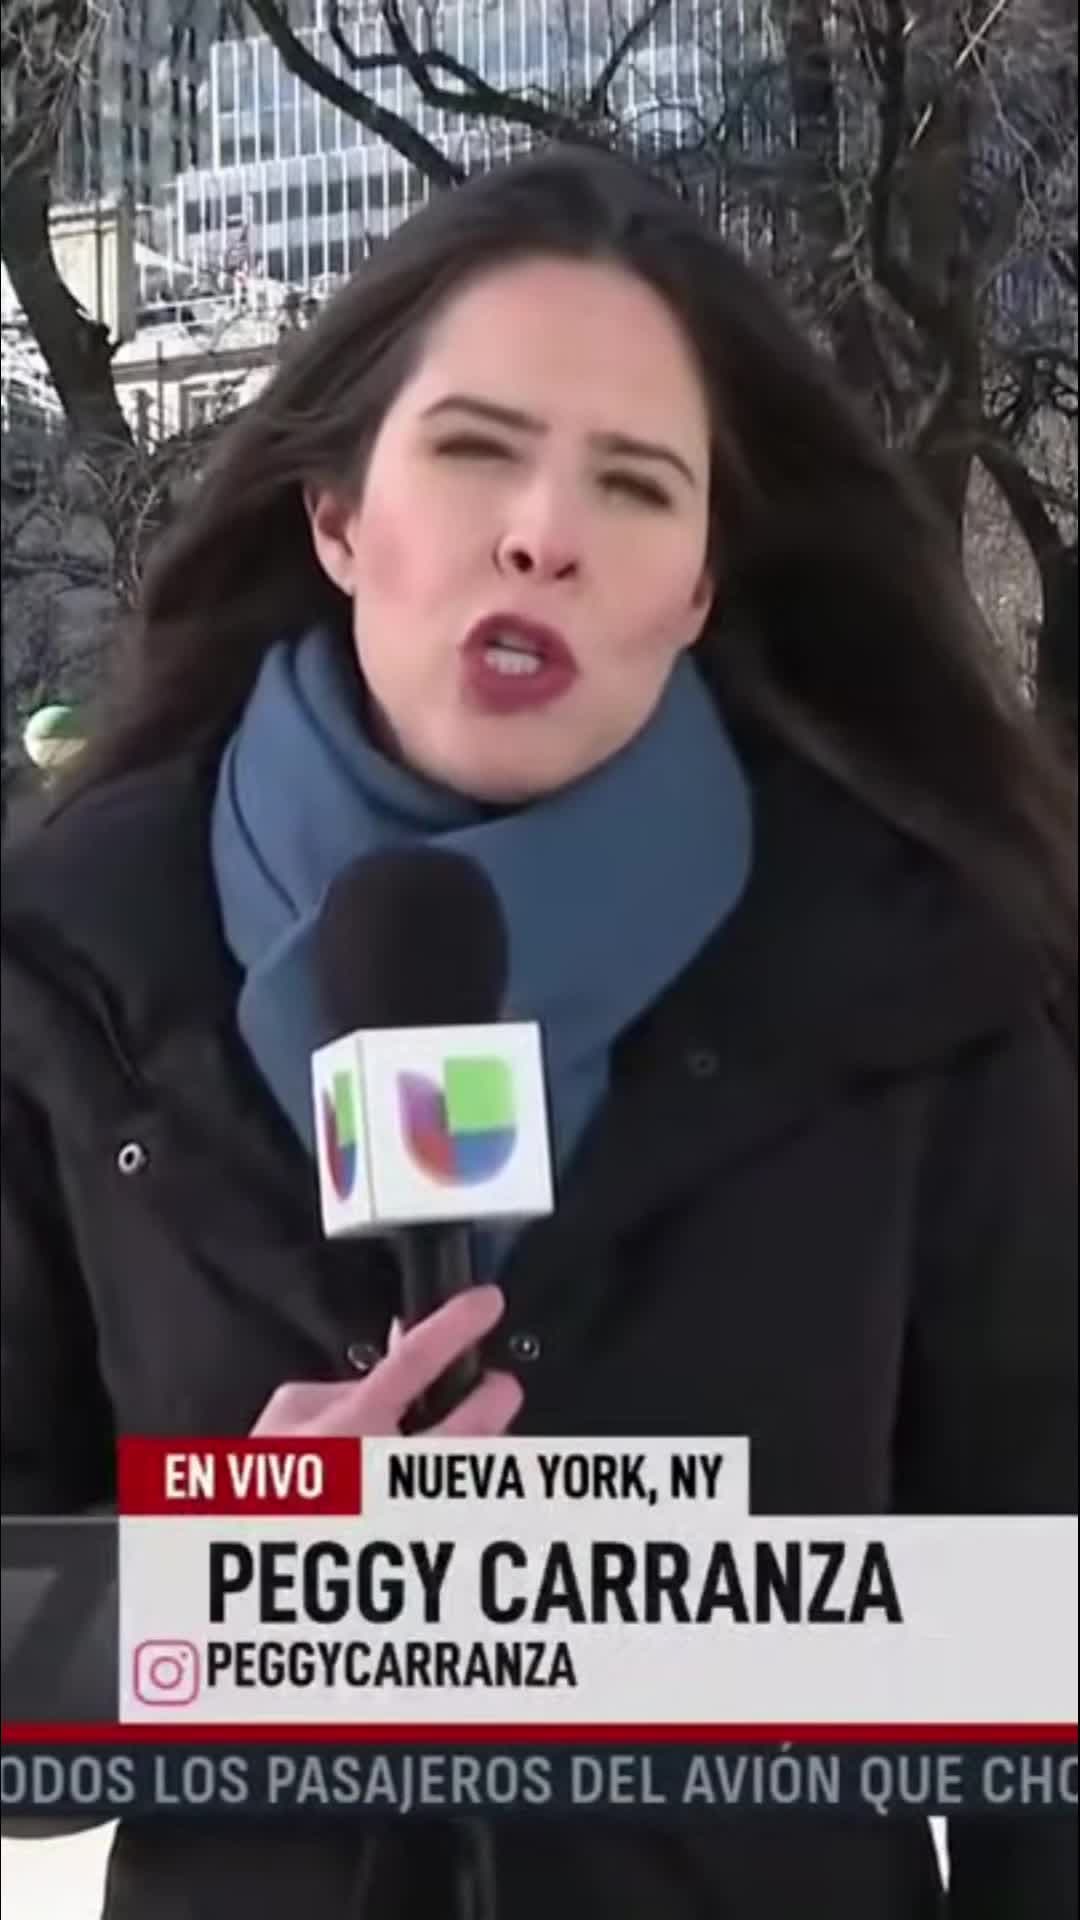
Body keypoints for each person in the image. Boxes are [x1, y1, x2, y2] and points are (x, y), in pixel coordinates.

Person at [1, 142, 1076, 1920]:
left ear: (701, 583)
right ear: (337, 515)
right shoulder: (75, 967)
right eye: (476, 448)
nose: (547, 534)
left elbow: (1047, 1631)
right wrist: (235, 1580)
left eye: (637, 484)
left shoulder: (919, 978)